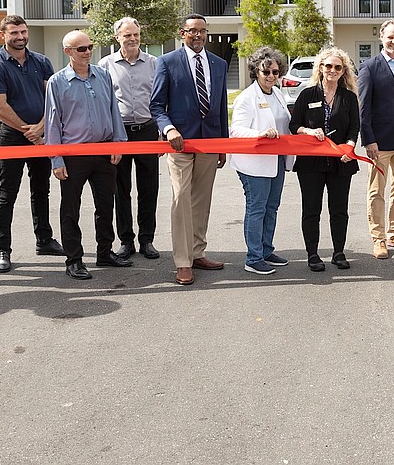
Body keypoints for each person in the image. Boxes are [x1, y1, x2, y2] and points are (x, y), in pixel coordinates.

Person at [151, 14, 229, 286]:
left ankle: (197, 252)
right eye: (192, 31)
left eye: (202, 31)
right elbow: (157, 106)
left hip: (210, 142)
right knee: (181, 198)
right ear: (182, 33)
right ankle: (183, 262)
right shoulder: (167, 62)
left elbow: (220, 106)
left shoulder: (218, 64)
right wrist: (168, 129)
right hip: (180, 143)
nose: (198, 35)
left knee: (201, 200)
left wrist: (223, 144)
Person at [45, 31, 130, 280]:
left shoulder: (102, 75)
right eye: (81, 48)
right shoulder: (57, 82)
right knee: (70, 208)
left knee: (106, 204)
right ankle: (74, 259)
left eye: (90, 47)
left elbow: (114, 110)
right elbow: (52, 122)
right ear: (68, 52)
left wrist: (118, 144)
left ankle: (105, 251)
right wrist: (56, 159)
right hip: (73, 155)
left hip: (104, 151)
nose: (88, 52)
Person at [0, 14, 63, 273]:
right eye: (14, 33)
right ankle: (3, 249)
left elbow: (51, 96)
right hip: (11, 137)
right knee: (8, 194)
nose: (20, 37)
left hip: (41, 134)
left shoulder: (41, 61)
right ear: (2, 35)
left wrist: (41, 126)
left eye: (23, 32)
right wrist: (29, 132)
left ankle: (45, 240)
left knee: (41, 191)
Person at [289, 46, 360, 272]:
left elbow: (354, 128)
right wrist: (308, 132)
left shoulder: (348, 97)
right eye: (328, 66)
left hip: (341, 162)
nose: (332, 70)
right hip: (311, 163)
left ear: (343, 71)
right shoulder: (307, 94)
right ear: (320, 68)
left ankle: (338, 252)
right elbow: (294, 126)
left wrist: (349, 147)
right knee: (311, 209)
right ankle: (313, 254)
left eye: (337, 67)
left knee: (339, 209)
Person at [98, 17, 161, 261]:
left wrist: (161, 131)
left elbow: (160, 99)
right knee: (120, 190)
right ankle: (126, 240)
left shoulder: (154, 63)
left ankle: (147, 239)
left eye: (135, 34)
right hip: (119, 133)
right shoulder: (105, 65)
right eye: (127, 35)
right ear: (118, 38)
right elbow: (103, 102)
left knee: (149, 189)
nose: (132, 39)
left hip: (147, 131)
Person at [229, 47, 293, 275]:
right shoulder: (246, 98)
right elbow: (235, 130)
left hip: (276, 160)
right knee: (256, 209)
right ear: (256, 72)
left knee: (271, 207)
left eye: (275, 72)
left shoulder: (277, 93)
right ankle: (253, 257)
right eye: (266, 72)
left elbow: (286, 122)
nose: (271, 76)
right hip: (253, 163)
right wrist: (260, 134)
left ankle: (266, 250)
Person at [357, 19, 394, 259]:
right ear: (381, 37)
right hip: (379, 142)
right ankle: (378, 238)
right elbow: (364, 106)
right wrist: (368, 139)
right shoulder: (370, 66)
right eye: (390, 37)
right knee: (376, 191)